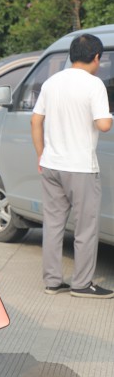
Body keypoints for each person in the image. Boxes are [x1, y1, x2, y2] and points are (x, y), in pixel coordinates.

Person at [31, 33, 113, 299]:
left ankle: (52, 282)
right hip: (81, 167)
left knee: (53, 225)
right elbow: (104, 124)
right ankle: (82, 284)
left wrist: (41, 155)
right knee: (85, 228)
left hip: (52, 165)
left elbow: (35, 120)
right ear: (96, 57)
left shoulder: (52, 83)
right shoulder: (94, 84)